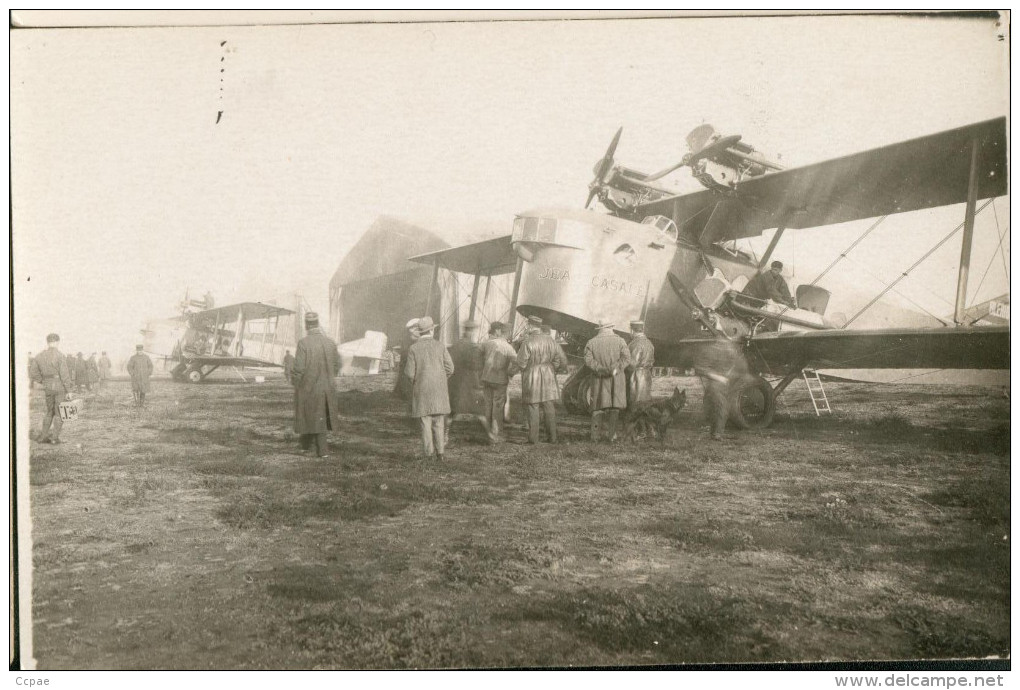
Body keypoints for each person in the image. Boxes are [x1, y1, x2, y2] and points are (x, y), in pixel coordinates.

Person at [291, 312, 341, 458]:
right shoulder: (330, 342)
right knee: (320, 415)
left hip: (309, 386)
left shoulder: (303, 343)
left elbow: (299, 368)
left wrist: (296, 383)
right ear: (318, 323)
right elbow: (337, 364)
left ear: (306, 325)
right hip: (328, 386)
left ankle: (322, 450)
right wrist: (330, 376)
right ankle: (305, 445)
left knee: (311, 414)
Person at [405, 316, 454, 461]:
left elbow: (409, 373)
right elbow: (450, 368)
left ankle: (428, 454)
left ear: (420, 332)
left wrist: (416, 382)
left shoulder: (413, 348)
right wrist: (441, 379)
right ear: (432, 330)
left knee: (425, 422)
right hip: (439, 389)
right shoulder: (440, 346)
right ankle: (441, 453)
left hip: (422, 389)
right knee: (439, 421)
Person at [516, 315, 566, 444]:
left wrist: (527, 369)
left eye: (528, 325)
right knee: (549, 405)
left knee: (533, 406)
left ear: (530, 326)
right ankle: (552, 438)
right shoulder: (551, 341)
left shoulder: (528, 341)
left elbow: (521, 363)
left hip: (533, 374)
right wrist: (550, 369)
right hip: (548, 374)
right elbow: (557, 359)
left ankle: (533, 439)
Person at [693, 336, 750, 441]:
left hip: (720, 384)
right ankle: (716, 435)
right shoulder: (717, 351)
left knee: (719, 408)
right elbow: (701, 368)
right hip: (716, 384)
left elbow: (740, 367)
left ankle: (715, 433)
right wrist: (719, 377)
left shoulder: (725, 351)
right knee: (722, 408)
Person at [583, 318, 631, 443]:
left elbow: (588, 361)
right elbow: (626, 358)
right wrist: (614, 370)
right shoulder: (620, 341)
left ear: (600, 329)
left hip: (599, 379)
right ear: (611, 327)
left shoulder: (591, 342)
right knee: (615, 408)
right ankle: (612, 436)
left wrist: (600, 369)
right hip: (616, 378)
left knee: (597, 408)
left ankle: (595, 436)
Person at [476, 321, 518, 444]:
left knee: (487, 405)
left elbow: (477, 359)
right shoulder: (508, 347)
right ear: (505, 333)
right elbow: (517, 362)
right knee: (498, 407)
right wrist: (510, 372)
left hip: (486, 378)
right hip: (500, 380)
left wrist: (481, 372)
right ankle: (496, 434)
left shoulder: (485, 344)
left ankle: (487, 432)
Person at [448, 320, 488, 441]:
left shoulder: (455, 346)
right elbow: (476, 366)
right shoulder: (472, 347)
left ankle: (444, 436)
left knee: (452, 412)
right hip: (469, 384)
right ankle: (491, 436)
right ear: (471, 332)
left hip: (455, 383)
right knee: (480, 412)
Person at [29, 334, 73, 444]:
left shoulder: (39, 356)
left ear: (47, 342)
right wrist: (69, 390)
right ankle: (54, 438)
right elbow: (64, 375)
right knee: (59, 413)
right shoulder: (60, 355)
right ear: (57, 342)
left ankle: (43, 437)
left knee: (49, 412)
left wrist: (43, 381)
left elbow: (33, 373)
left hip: (47, 387)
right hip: (59, 387)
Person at [626, 321, 655, 410]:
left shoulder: (635, 343)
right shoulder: (649, 343)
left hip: (637, 375)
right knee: (645, 401)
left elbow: (632, 363)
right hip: (647, 375)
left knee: (635, 401)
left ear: (632, 330)